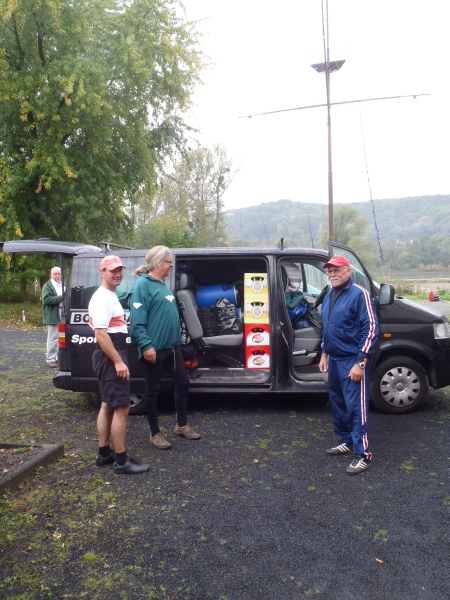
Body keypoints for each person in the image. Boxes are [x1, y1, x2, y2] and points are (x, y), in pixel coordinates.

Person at [127, 246, 200, 450]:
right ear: (159, 263)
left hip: (172, 348)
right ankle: (154, 433)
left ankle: (181, 425)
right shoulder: (143, 285)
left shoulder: (162, 284)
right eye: (169, 262)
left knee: (183, 382)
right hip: (154, 350)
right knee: (152, 390)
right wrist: (146, 345)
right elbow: (137, 322)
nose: (171, 266)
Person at [89, 255, 149, 475]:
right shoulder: (101, 298)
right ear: (102, 272)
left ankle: (105, 454)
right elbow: (101, 334)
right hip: (110, 353)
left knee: (108, 404)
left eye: (120, 270)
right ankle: (122, 462)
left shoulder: (110, 295)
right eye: (112, 270)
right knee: (122, 407)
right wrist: (118, 361)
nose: (117, 274)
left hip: (113, 352)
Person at [318, 255, 379, 476]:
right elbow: (327, 327)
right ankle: (347, 440)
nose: (332, 275)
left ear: (347, 272)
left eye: (337, 271)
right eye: (330, 272)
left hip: (352, 361)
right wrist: (324, 353)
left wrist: (360, 363)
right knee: (338, 402)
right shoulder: (330, 295)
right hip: (334, 360)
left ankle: (363, 455)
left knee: (356, 407)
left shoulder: (359, 294)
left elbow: (370, 330)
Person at [42, 267, 64, 368]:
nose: (57, 276)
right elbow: (46, 300)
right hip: (52, 314)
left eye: (59, 274)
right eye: (55, 274)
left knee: (61, 338)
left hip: (63, 313)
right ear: (51, 275)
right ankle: (50, 358)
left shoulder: (63, 285)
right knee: (52, 338)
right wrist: (60, 298)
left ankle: (57, 357)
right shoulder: (47, 286)